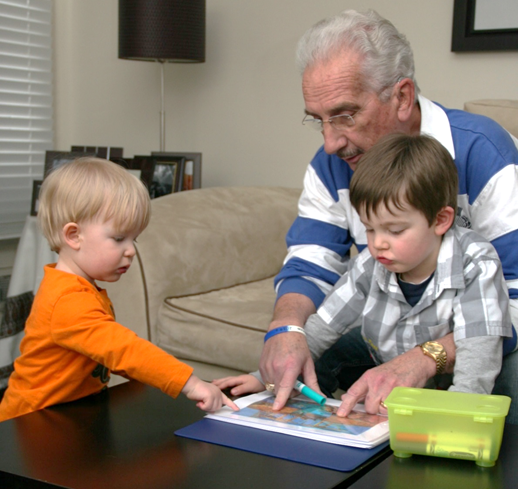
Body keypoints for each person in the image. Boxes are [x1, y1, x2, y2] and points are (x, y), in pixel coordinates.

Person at [259, 9, 518, 420]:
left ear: (401, 96)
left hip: (479, 337)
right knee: (301, 362)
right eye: (319, 120)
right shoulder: (332, 163)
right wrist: (285, 331)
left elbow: (513, 302)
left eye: (344, 116)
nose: (330, 143)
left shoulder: (484, 151)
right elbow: (311, 266)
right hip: (389, 335)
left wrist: (425, 357)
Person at [215, 134, 512, 413]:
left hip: (448, 374)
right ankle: (293, 402)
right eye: (369, 229)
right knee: (330, 350)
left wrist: (461, 410)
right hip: (381, 353)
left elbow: (479, 348)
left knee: (494, 374)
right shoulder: (371, 262)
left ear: (441, 220)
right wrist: (263, 378)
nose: (378, 242)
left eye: (395, 230)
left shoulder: (475, 261)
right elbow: (323, 326)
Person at [0, 158, 238, 421]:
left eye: (133, 239)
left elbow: (107, 352)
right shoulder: (67, 300)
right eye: (118, 238)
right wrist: (190, 383)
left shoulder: (79, 288)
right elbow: (123, 350)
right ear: (73, 236)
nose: (131, 250)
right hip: (29, 424)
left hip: (70, 416)